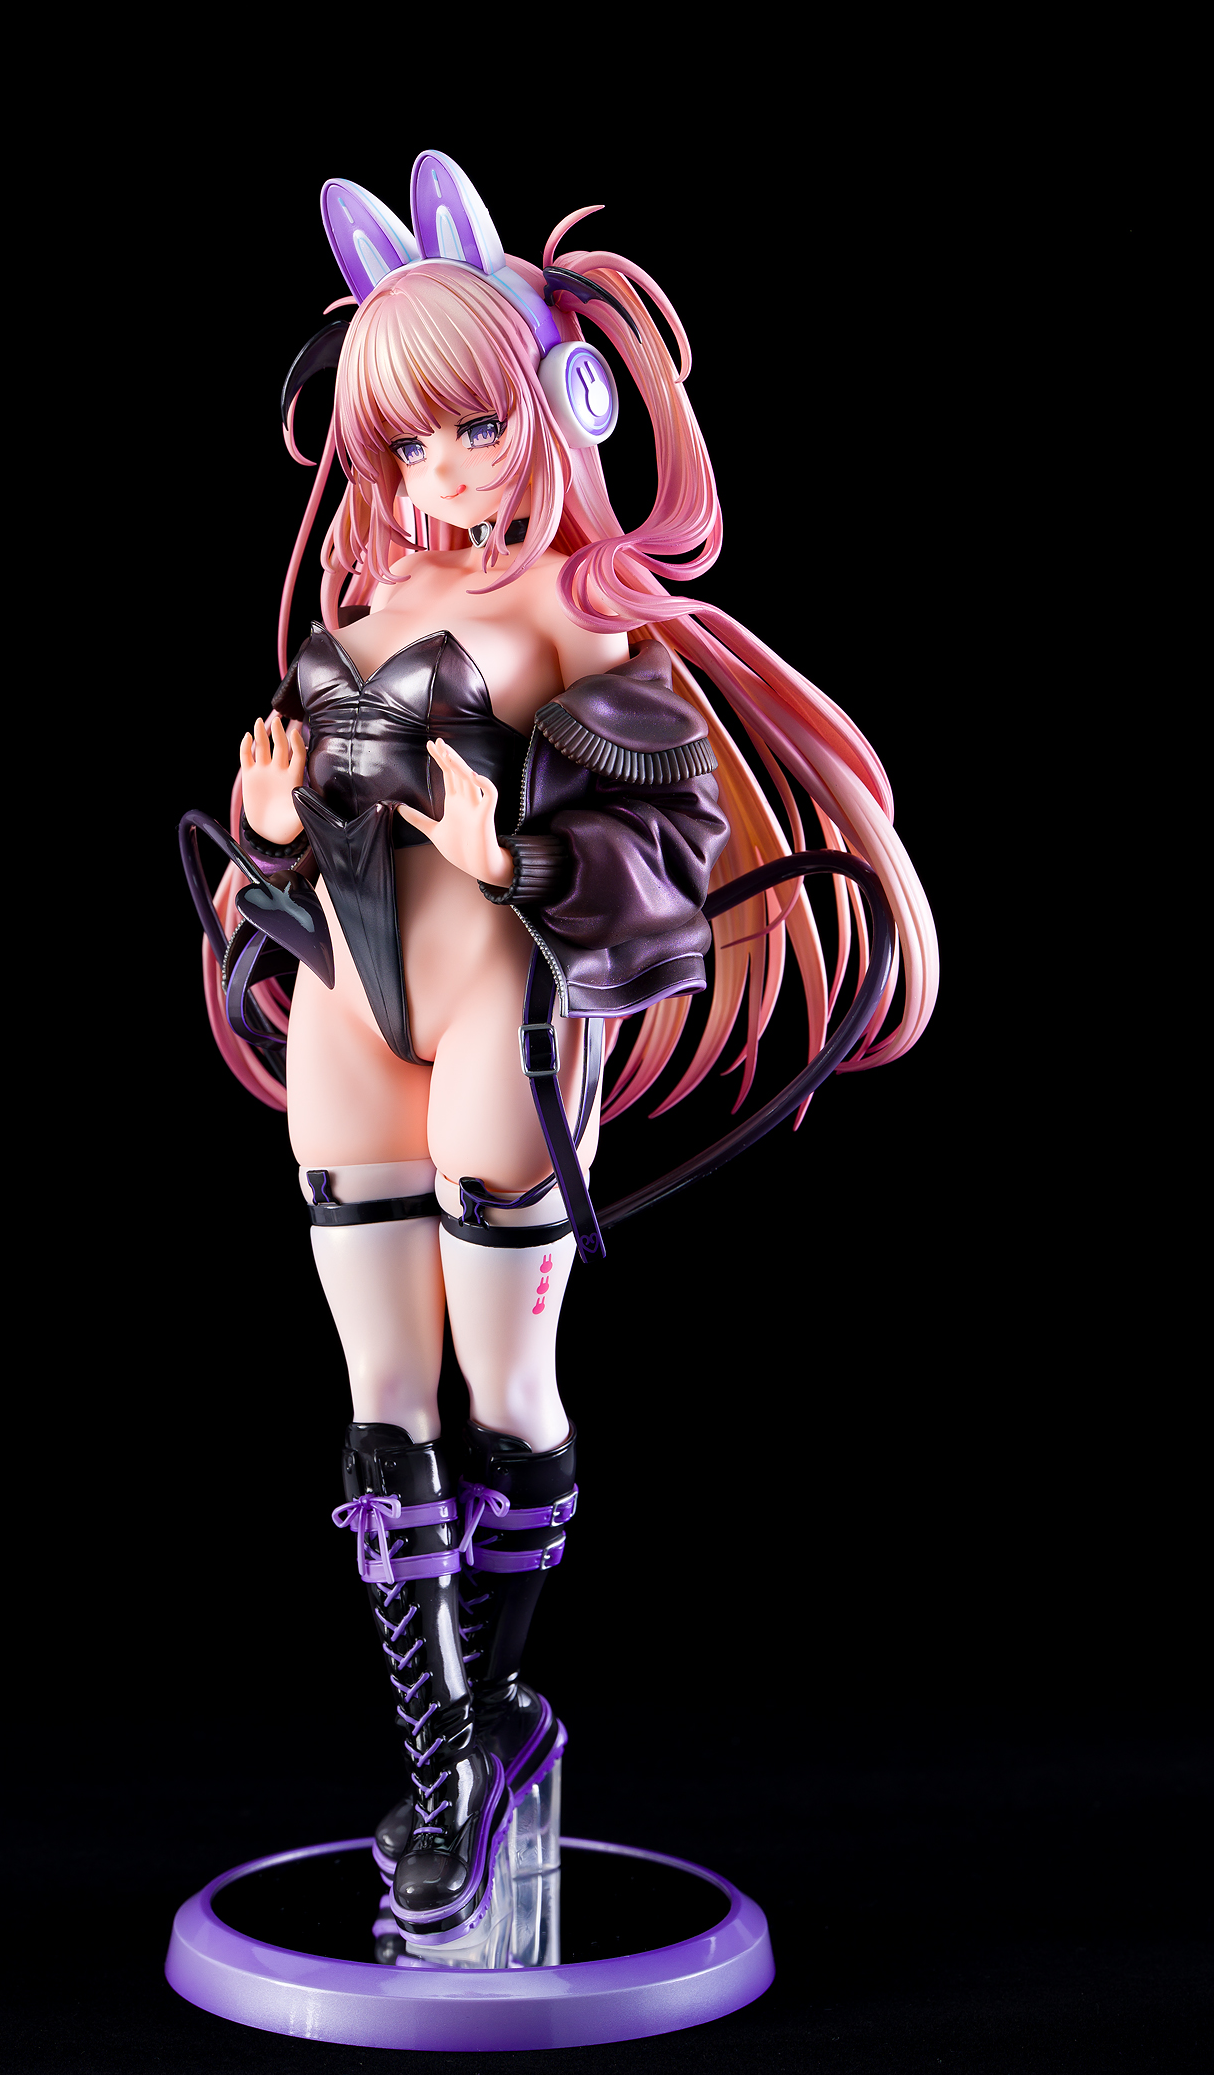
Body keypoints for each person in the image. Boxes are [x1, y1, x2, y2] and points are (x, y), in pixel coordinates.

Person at [191, 153, 938, 1947]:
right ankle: (455, 1755)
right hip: (352, 1009)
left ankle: (484, 1736)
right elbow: (302, 838)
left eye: (480, 426)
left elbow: (672, 847)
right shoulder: (360, 615)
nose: (453, 470)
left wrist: (509, 849)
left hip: (505, 1018)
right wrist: (270, 828)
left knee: (504, 1394)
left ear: (557, 410)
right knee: (380, 1406)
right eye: (413, 438)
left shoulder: (576, 615)